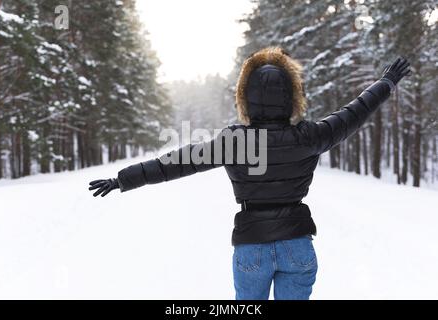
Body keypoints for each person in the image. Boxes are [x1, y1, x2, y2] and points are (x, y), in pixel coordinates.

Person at [88, 47, 411, 300]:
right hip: (298, 245)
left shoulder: (234, 142)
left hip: (251, 248)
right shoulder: (309, 136)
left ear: (245, 98)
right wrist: (386, 82)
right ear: (292, 97)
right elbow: (355, 111)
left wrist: (122, 180)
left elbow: (172, 163)